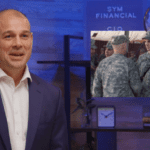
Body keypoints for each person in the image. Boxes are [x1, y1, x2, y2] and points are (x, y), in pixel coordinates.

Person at [0, 9, 68, 150]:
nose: (18, 43)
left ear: (31, 40)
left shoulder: (52, 96)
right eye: (8, 36)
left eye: (24, 36)